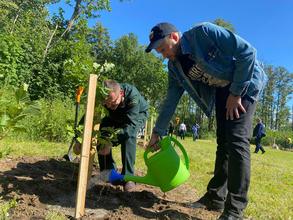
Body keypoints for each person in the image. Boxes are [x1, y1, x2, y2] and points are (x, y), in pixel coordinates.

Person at [145, 22, 266, 220]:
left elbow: (248, 52)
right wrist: (157, 133)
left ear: (174, 37)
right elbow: (170, 100)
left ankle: (235, 210)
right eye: (160, 53)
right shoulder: (174, 66)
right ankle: (215, 198)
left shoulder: (204, 33)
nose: (164, 56)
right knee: (223, 144)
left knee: (236, 141)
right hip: (223, 91)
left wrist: (236, 93)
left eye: (164, 49)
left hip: (244, 83)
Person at [74, 79, 149, 192]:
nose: (109, 106)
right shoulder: (104, 97)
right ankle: (108, 172)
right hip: (115, 116)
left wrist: (111, 142)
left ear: (121, 94)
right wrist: (79, 138)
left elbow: (130, 126)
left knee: (129, 137)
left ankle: (128, 177)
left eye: (112, 102)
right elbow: (88, 116)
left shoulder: (132, 96)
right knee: (101, 131)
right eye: (106, 103)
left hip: (136, 115)